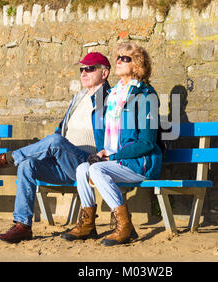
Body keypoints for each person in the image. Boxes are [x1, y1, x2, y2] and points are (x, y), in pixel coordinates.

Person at [0, 52, 111, 243]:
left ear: (104, 73)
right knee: (27, 165)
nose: (83, 73)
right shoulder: (78, 98)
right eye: (81, 69)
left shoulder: (110, 99)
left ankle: (6, 158)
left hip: (88, 163)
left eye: (89, 68)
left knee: (55, 141)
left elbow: (116, 132)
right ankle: (23, 226)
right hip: (64, 162)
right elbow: (62, 129)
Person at [61, 42, 162, 246]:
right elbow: (109, 137)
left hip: (140, 163)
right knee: (82, 169)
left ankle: (125, 226)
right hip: (116, 161)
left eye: (125, 58)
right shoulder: (114, 95)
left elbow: (147, 142)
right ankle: (88, 225)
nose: (118, 61)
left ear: (137, 65)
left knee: (97, 171)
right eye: (117, 57)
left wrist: (114, 157)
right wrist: (103, 152)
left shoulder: (146, 96)